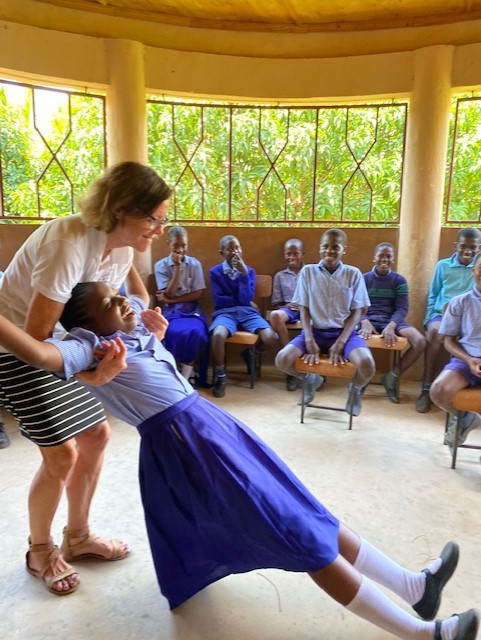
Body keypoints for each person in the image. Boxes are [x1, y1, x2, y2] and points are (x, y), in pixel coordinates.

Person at [0, 283, 478, 640]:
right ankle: (422, 634)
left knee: (304, 510)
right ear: (85, 323)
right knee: (298, 534)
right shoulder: (88, 346)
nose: (123, 299)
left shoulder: (135, 331)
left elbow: (135, 297)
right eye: (110, 301)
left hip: (212, 429)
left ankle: (414, 588)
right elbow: (39, 352)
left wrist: (150, 325)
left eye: (118, 292)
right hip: (189, 447)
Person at [0, 161, 171, 595]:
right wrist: (94, 376)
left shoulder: (123, 249)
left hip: (66, 347)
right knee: (61, 455)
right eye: (153, 219)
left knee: (96, 436)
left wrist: (140, 323)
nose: (159, 230)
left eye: (163, 220)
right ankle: (40, 550)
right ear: (120, 210)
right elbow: (37, 338)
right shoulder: (68, 243)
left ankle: (77, 538)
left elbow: (108, 313)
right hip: (17, 346)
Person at [276, 228, 375, 415]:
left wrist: (341, 342)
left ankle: (355, 389)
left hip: (344, 333)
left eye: (335, 247)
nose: (330, 250)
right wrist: (309, 339)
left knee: (367, 364)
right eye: (326, 246)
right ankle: (310, 379)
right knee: (282, 360)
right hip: (315, 332)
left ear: (344, 249)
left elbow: (357, 312)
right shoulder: (308, 272)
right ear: (320, 248)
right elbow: (304, 308)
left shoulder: (353, 274)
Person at [416, 228, 481, 414]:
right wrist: (429, 318)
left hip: (465, 315)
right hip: (442, 312)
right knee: (436, 332)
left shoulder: (476, 265)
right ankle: (427, 386)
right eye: (463, 246)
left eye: (473, 247)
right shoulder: (443, 266)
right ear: (456, 246)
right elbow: (433, 294)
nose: (468, 250)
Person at [209, 234, 278, 398]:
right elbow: (219, 301)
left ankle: (251, 353)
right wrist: (240, 300)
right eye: (230, 249)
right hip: (225, 313)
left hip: (247, 313)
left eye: (237, 248)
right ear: (222, 253)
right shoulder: (215, 272)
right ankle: (221, 375)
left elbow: (246, 298)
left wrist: (243, 274)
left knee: (270, 338)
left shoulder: (249, 271)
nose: (235, 252)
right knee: (217, 335)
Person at [360, 242, 426, 403]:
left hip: (392, 320)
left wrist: (391, 325)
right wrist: (364, 321)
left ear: (393, 259)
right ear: (374, 258)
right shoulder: (363, 279)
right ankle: (361, 378)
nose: (384, 259)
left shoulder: (399, 280)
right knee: (355, 338)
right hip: (369, 320)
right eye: (381, 256)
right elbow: (356, 306)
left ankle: (392, 376)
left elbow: (402, 308)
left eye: (388, 256)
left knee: (420, 341)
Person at [430, 251, 481, 447]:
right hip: (466, 359)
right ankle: (465, 417)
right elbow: (448, 341)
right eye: (480, 268)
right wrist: (469, 360)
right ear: (473, 271)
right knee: (438, 390)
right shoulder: (460, 302)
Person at [154, 225, 209, 384]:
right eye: (175, 245)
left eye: (183, 245)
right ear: (168, 244)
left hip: (192, 311)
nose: (180, 249)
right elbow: (169, 293)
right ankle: (176, 373)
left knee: (197, 332)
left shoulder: (195, 264)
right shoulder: (161, 266)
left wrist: (172, 300)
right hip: (172, 312)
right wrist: (178, 268)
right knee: (171, 332)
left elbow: (198, 294)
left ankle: (185, 375)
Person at [269, 238, 305, 392]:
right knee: (275, 316)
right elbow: (276, 303)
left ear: (302, 254)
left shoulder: (310, 272)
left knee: (319, 322)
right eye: (288, 253)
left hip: (307, 309)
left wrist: (305, 306)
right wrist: (287, 306)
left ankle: (313, 368)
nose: (292, 257)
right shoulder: (280, 276)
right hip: (289, 309)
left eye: (296, 253)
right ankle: (290, 362)